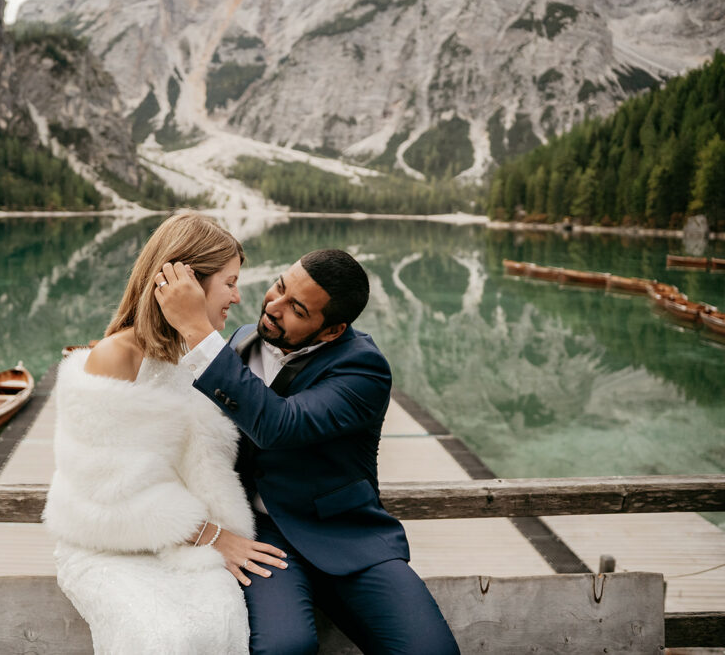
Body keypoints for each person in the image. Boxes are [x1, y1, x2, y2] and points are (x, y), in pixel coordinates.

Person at [156, 248, 460, 654]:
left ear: (332, 331)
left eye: (297, 309)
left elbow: (278, 426)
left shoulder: (363, 369)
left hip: (347, 535)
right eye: (279, 287)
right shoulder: (244, 338)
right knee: (285, 647)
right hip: (261, 537)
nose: (274, 307)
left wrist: (197, 330)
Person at [43, 213, 288, 654]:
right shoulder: (116, 355)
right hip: (109, 543)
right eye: (229, 282)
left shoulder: (201, 357)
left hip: (187, 540)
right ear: (186, 284)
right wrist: (213, 535)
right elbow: (107, 490)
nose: (238, 295)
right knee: (164, 639)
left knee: (220, 616)